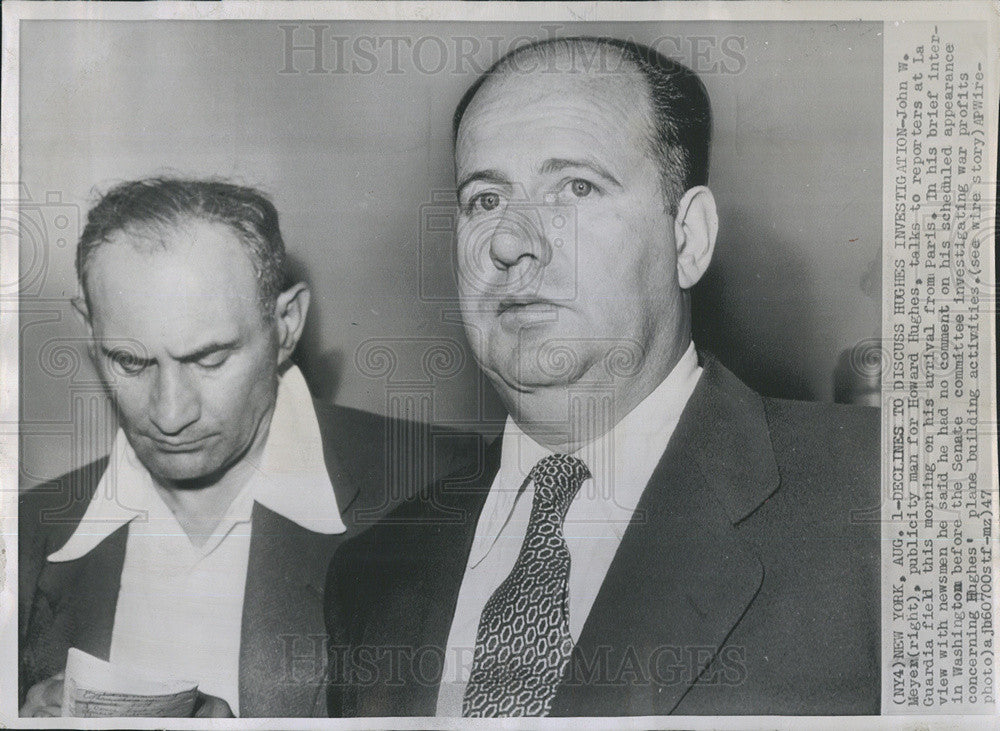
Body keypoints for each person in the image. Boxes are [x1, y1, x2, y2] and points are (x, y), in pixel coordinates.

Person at [326, 37, 880, 717]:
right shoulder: (372, 574)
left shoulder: (878, 496)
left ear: (689, 238)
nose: (509, 240)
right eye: (484, 199)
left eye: (576, 187)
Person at [19, 178, 471, 717]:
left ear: (286, 325)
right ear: (88, 329)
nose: (170, 414)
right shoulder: (23, 532)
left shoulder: (452, 489)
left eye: (209, 359)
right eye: (130, 362)